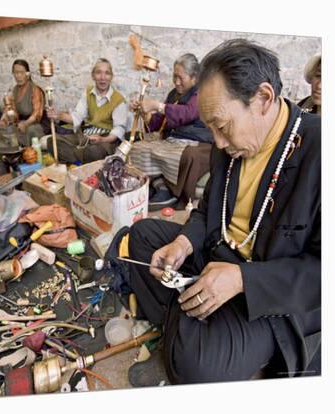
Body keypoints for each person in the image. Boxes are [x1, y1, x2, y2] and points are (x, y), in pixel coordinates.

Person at [127, 39, 320, 386]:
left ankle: (186, 324)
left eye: (221, 125)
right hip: (218, 253)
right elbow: (206, 211)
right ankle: (193, 317)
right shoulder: (227, 145)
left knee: (194, 366)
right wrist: (184, 243)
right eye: (210, 127)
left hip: (268, 293)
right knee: (139, 238)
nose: (215, 142)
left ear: (263, 99)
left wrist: (243, 280)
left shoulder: (320, 149)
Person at [129, 53, 213, 209]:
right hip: (172, 140)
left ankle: (172, 193)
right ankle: (160, 187)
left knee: (179, 155)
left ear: (194, 77)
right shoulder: (173, 94)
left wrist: (157, 105)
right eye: (175, 77)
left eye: (181, 78)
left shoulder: (201, 93)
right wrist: (144, 113)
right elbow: (159, 122)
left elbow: (187, 113)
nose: (176, 82)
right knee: (139, 147)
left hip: (195, 142)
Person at [46, 58, 128, 164]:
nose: (103, 77)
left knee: (94, 152)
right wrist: (59, 115)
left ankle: (77, 157)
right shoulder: (88, 93)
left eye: (107, 73)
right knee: (52, 142)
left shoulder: (118, 100)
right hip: (86, 136)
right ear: (93, 76)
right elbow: (77, 117)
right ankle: (83, 159)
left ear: (111, 77)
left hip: (106, 140)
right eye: (98, 73)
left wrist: (102, 140)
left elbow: (119, 130)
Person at [0, 59, 47, 147]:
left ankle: (29, 153)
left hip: (37, 123)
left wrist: (25, 124)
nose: (18, 76)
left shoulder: (35, 89)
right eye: (16, 73)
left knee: (30, 130)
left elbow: (37, 115)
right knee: (4, 131)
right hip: (22, 122)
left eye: (21, 72)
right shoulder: (15, 90)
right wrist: (5, 120)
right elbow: (13, 111)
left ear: (27, 74)